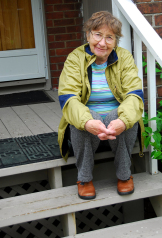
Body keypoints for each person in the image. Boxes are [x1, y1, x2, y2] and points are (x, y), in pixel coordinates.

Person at [58, 11, 144, 200]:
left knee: (125, 116)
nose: (102, 43)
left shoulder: (124, 58)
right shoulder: (75, 58)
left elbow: (135, 95)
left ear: (116, 41)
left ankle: (124, 175)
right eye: (97, 35)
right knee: (82, 118)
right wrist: (88, 121)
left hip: (116, 126)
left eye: (109, 37)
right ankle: (85, 179)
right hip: (89, 126)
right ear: (88, 35)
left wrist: (122, 121)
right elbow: (68, 98)